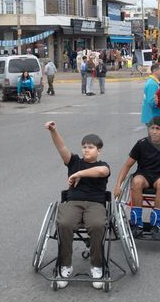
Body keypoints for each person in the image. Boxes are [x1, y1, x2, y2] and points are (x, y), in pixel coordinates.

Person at [44, 121, 110, 289]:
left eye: (91, 147)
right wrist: (53, 130)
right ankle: (65, 265)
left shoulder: (103, 166)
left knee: (96, 224)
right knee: (64, 223)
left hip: (95, 203)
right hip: (73, 202)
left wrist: (79, 173)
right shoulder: (74, 162)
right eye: (84, 147)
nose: (86, 150)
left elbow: (101, 172)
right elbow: (61, 147)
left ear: (99, 150)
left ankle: (97, 266)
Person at [114, 116, 160, 236]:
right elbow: (127, 166)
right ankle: (137, 223)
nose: (153, 131)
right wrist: (118, 185)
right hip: (145, 174)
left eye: (157, 128)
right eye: (151, 128)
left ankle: (156, 224)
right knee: (136, 181)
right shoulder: (142, 144)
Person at [141, 65, 160, 130]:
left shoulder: (153, 82)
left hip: (153, 117)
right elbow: (152, 102)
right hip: (153, 117)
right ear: (155, 71)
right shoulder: (152, 84)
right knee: (155, 139)